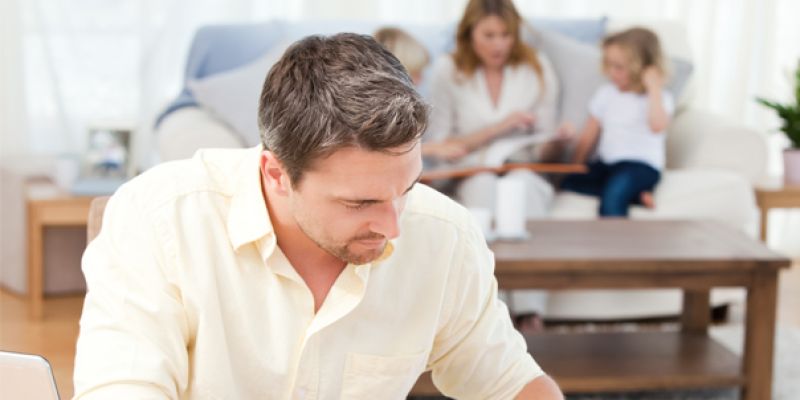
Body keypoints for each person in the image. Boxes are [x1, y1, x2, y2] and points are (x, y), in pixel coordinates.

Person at [73, 33, 562, 399]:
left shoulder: (445, 237)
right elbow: (122, 387)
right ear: (276, 174)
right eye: (360, 203)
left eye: (407, 189)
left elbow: (509, 383)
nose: (394, 227)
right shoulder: (160, 220)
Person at [425, 0, 562, 333]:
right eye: (489, 35)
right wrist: (501, 127)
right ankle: (492, 313)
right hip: (473, 169)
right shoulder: (448, 71)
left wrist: (557, 140)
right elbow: (441, 146)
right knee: (483, 191)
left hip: (523, 165)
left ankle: (530, 311)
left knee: (523, 187)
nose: (499, 44)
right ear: (469, 34)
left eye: (506, 35)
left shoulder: (536, 68)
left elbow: (543, 147)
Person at [561, 27, 674, 217]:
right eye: (609, 65)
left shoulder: (659, 98)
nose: (611, 72)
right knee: (569, 182)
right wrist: (574, 167)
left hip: (640, 167)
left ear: (643, 68)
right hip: (607, 165)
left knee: (612, 199)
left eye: (619, 67)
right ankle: (636, 196)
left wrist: (654, 87)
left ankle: (615, 231)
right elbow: (588, 137)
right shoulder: (606, 94)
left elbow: (657, 126)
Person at [374, 26, 468, 162]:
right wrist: (431, 149)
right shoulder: (375, 112)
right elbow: (381, 154)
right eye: (415, 73)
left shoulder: (404, 108)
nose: (420, 80)